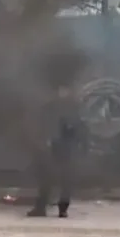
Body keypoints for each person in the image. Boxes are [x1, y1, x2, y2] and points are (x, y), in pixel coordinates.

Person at [27, 81, 85, 218]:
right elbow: (41, 126)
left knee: (65, 181)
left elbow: (80, 129)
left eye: (65, 90)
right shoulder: (50, 108)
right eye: (60, 90)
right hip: (51, 148)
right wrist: (42, 141)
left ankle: (62, 209)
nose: (62, 93)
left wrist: (78, 144)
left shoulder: (73, 109)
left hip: (66, 149)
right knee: (46, 179)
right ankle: (41, 208)